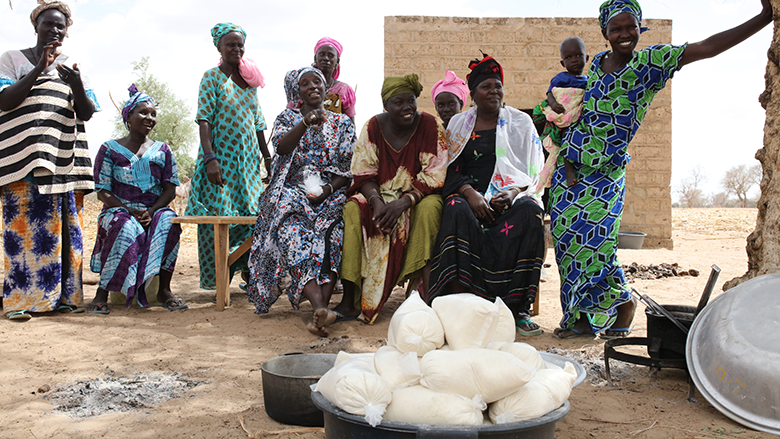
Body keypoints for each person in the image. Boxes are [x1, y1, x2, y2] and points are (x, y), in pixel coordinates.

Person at [551, 0, 772, 339]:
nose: (624, 34)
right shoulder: (594, 64)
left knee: (597, 243)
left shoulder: (649, 63)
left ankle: (623, 303)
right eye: (616, 28)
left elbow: (707, 48)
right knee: (568, 243)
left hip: (606, 173)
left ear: (640, 28)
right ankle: (580, 319)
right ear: (604, 33)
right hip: (570, 171)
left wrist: (764, 17)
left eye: (630, 27)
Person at [427, 54, 547, 337]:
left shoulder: (521, 123)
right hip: (470, 199)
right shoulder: (458, 124)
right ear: (472, 95)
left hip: (510, 199)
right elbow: (449, 170)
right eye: (486, 86)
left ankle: (516, 309)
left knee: (531, 211)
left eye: (498, 86)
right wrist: (470, 194)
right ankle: (460, 302)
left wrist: (514, 192)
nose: (494, 91)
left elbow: (535, 173)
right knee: (455, 208)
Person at [0, 0, 99, 321]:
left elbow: (85, 112)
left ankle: (64, 299)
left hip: (63, 163)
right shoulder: (11, 59)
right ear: (36, 27)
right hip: (21, 162)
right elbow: (5, 100)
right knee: (22, 232)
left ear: (67, 32)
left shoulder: (72, 64)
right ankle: (19, 302)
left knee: (64, 232)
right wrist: (39, 68)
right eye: (49, 24)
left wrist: (77, 84)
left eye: (61, 26)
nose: (55, 30)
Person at [331, 73, 448, 324]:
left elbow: (435, 174)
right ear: (385, 105)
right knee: (352, 209)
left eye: (411, 101)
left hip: (418, 196)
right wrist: (377, 204)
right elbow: (363, 173)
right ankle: (349, 299)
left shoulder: (430, 125)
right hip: (379, 196)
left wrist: (404, 202)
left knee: (430, 209)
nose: (407, 107)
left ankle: (421, 296)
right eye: (398, 102)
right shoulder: (372, 127)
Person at [247, 67, 355, 337]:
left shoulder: (342, 124)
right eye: (305, 84)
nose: (312, 87)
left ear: (325, 86)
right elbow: (281, 148)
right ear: (298, 92)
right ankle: (320, 308)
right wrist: (305, 122)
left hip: (330, 193)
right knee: (292, 232)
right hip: (292, 191)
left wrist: (328, 190)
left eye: (317, 81)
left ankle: (320, 311)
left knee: (332, 238)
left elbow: (347, 168)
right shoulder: (287, 117)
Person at [186, 22, 272, 292]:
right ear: (219, 48)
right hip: (221, 161)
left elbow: (258, 124)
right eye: (230, 44)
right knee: (219, 219)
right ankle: (219, 282)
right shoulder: (211, 77)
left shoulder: (249, 81)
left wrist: (268, 160)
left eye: (240, 45)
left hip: (247, 165)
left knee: (251, 219)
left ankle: (249, 277)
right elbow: (204, 121)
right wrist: (210, 158)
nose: (236, 49)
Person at [87, 85, 186, 314]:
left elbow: (170, 190)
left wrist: (151, 211)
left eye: (153, 114)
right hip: (118, 209)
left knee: (169, 221)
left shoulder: (163, 150)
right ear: (128, 116)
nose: (150, 118)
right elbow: (102, 190)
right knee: (123, 224)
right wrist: (128, 210)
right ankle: (102, 292)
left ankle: (164, 290)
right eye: (143, 112)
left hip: (155, 208)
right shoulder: (109, 149)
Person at [533, 37, 588, 192]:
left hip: (575, 118)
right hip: (560, 115)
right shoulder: (561, 78)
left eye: (578, 55)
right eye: (569, 58)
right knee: (561, 139)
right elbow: (550, 93)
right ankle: (568, 171)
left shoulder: (587, 81)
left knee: (571, 140)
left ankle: (569, 170)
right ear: (563, 63)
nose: (574, 60)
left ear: (586, 58)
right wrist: (554, 104)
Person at [309, 37, 356, 122]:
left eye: (331, 55)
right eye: (322, 54)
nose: (326, 58)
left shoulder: (344, 90)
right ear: (315, 58)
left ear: (337, 61)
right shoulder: (304, 85)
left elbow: (350, 126)